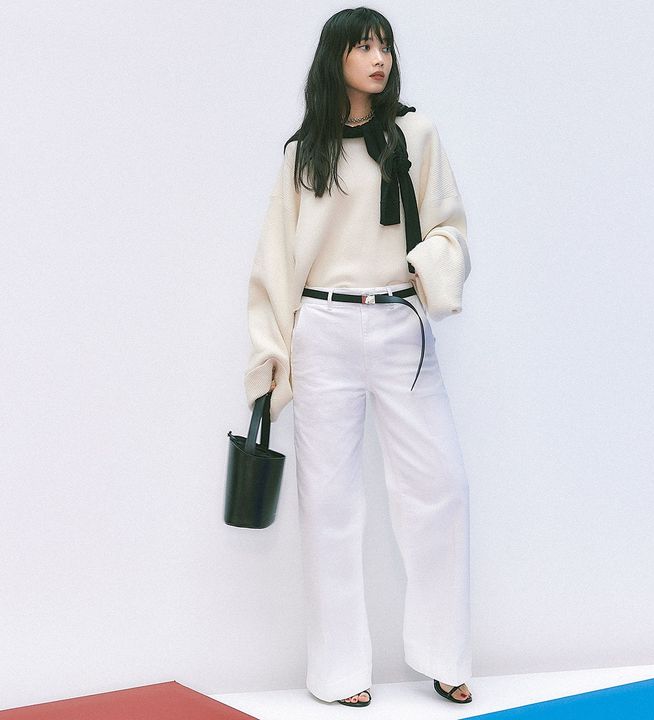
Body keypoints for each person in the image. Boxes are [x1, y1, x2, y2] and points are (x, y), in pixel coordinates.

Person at [244, 7, 473, 708]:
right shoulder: (304, 153)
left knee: (440, 487)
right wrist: (270, 356)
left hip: (400, 324)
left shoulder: (415, 133)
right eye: (363, 46)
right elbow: (275, 261)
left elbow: (450, 227)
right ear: (336, 57)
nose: (378, 58)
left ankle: (445, 656)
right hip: (324, 327)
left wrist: (425, 267)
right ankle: (341, 672)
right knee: (329, 502)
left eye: (385, 46)